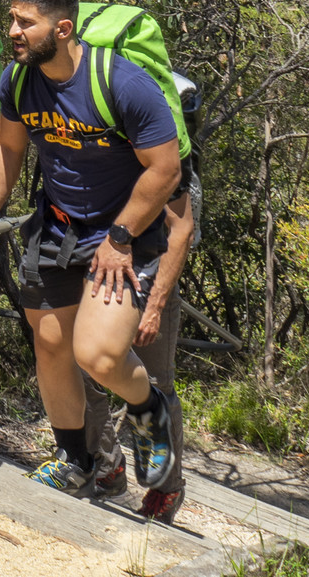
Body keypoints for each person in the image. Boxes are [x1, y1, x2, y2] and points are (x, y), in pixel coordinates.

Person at [0, 0, 182, 496]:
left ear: (62, 28)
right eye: (11, 18)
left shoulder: (124, 83)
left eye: (25, 22)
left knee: (99, 356)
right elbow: (8, 147)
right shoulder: (18, 80)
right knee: (51, 346)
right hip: (57, 228)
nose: (12, 31)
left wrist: (120, 238)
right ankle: (73, 459)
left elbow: (166, 171)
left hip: (122, 237)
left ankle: (149, 410)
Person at [88, 177, 199, 522]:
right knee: (84, 365)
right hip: (102, 273)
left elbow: (181, 234)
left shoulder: (170, 159)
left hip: (151, 279)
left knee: (155, 384)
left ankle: (167, 487)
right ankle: (107, 465)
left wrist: (155, 305)